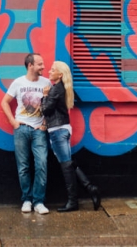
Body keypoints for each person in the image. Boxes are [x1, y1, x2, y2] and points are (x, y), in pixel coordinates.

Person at [41, 61, 101, 212]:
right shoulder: (63, 88)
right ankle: (90, 187)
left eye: (52, 70)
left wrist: (44, 96)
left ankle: (73, 202)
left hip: (57, 130)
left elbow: (46, 110)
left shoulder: (55, 90)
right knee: (69, 163)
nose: (49, 71)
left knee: (65, 166)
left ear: (59, 75)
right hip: (63, 128)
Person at [0, 53, 51, 214]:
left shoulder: (47, 83)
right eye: (40, 64)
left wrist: (45, 123)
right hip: (21, 129)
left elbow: (51, 105)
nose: (43, 67)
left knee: (41, 164)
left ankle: (39, 201)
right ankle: (27, 200)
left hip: (39, 131)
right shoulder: (18, 83)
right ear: (30, 66)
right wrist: (13, 122)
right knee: (23, 167)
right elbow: (4, 102)